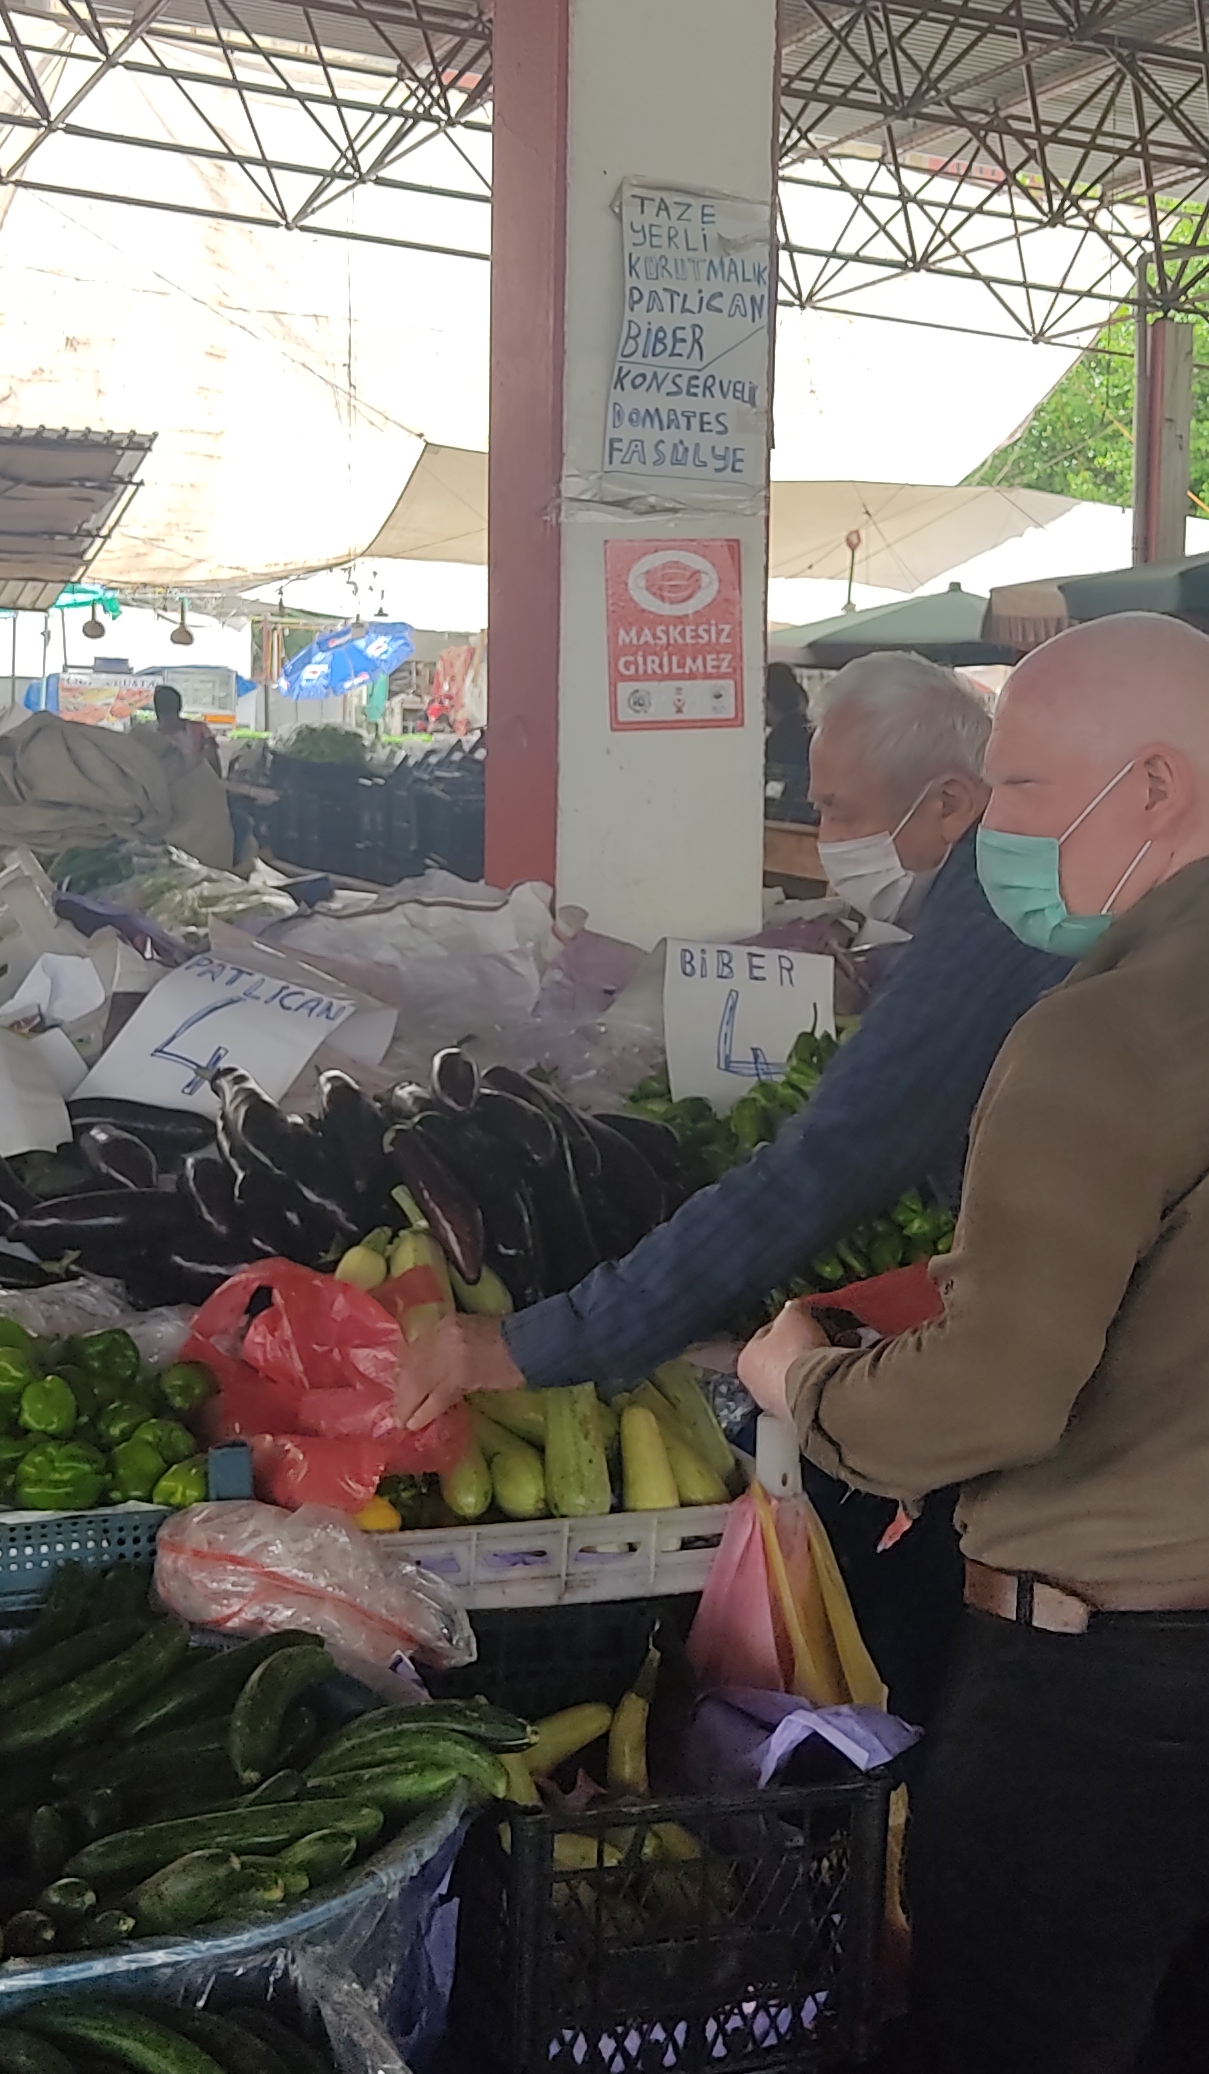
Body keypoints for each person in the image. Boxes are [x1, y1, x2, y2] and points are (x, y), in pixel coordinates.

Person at [737, 612, 1209, 2074]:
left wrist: (803, 1384)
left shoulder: (1098, 1032)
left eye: (1016, 789)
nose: (990, 829)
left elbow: (996, 1397)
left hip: (1103, 1699)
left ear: (1149, 790)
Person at [388, 656, 1072, 1701]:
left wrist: (532, 1344)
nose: (820, 827)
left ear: (947, 803)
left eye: (837, 808)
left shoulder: (992, 914)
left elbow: (822, 1167)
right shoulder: (1021, 893)